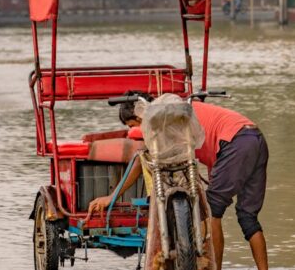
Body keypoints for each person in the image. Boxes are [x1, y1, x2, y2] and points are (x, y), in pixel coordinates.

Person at [89, 92, 269, 270]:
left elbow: (140, 160)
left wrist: (112, 197)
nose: (140, 134)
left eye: (134, 126)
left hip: (234, 142)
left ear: (141, 115)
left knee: (212, 210)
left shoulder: (164, 119)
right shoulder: (175, 110)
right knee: (248, 217)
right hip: (255, 138)